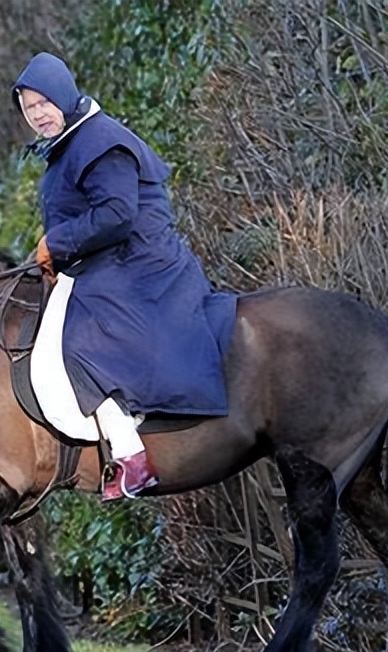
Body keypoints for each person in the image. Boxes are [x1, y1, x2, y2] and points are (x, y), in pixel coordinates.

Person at [12, 52, 235, 501]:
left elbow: (116, 214)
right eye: (28, 107)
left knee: (77, 340)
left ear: (62, 96)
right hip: (110, 260)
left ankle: (133, 457)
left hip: (140, 261)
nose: (37, 114)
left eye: (43, 103)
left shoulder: (100, 140)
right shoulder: (72, 142)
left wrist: (54, 246)